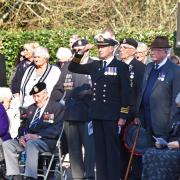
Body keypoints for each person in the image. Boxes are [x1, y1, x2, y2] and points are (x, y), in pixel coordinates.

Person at [68, 33, 131, 180]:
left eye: (103, 47)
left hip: (112, 116)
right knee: (100, 152)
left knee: (112, 151)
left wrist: (123, 115)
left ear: (112, 48)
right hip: (97, 114)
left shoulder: (120, 66)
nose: (100, 49)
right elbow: (73, 67)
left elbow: (126, 92)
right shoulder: (95, 65)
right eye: (98, 47)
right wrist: (81, 52)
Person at [3, 82, 64, 180]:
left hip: (46, 141)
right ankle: (15, 176)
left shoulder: (56, 107)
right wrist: (21, 137)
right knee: (7, 144)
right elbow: (23, 126)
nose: (36, 99)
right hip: (27, 140)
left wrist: (38, 136)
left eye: (38, 96)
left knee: (31, 143)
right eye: (34, 96)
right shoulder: (31, 108)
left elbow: (57, 129)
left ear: (46, 94)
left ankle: (30, 177)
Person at [60, 39, 95, 180]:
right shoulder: (68, 66)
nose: (78, 53)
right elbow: (58, 89)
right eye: (75, 51)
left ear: (88, 50)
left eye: (81, 50)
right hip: (70, 114)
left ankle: (90, 176)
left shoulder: (95, 65)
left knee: (90, 149)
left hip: (88, 114)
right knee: (74, 151)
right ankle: (77, 177)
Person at [135, 36, 180, 142]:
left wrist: (171, 125)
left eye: (157, 50)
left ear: (166, 52)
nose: (152, 52)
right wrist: (138, 114)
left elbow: (176, 100)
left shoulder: (175, 70)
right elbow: (142, 92)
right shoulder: (149, 67)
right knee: (147, 154)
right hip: (146, 121)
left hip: (163, 124)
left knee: (161, 156)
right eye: (152, 49)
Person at [119, 38, 146, 180]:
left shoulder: (140, 68)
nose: (121, 50)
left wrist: (138, 115)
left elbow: (141, 94)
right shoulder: (117, 66)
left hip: (132, 118)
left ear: (133, 50)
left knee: (133, 152)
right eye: (121, 47)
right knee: (119, 153)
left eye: (125, 47)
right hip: (117, 116)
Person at [142, 92, 180, 180]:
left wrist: (179, 144)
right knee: (149, 153)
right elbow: (168, 132)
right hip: (170, 146)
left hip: (177, 148)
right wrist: (161, 141)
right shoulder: (177, 115)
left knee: (165, 158)